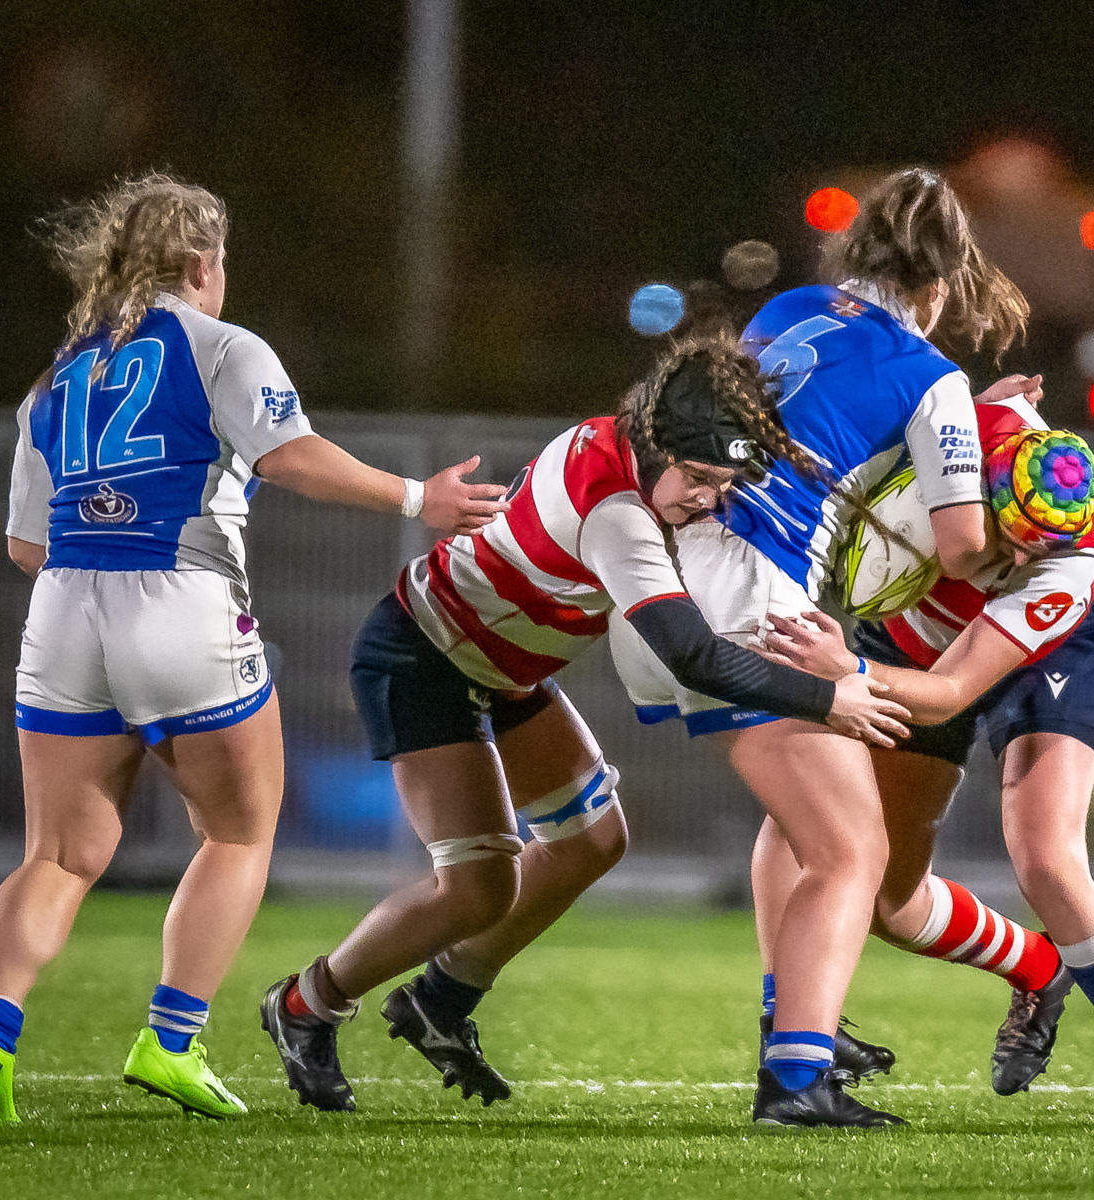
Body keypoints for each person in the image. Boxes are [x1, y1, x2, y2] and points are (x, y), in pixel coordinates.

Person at [0, 172, 510, 1123]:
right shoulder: (222, 347)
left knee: (60, 854)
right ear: (202, 260)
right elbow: (290, 456)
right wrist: (420, 499)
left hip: (62, 605)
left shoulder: (57, 374)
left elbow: (23, 543)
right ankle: (170, 1041)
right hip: (181, 601)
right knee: (240, 830)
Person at [258, 332, 912, 1113]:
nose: (708, 498)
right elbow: (692, 656)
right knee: (478, 888)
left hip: (502, 666)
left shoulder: (638, 447)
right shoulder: (618, 513)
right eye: (699, 478)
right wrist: (829, 698)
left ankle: (439, 1001)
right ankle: (306, 1005)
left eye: (723, 482)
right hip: (426, 656)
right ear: (658, 443)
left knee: (593, 843)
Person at [605, 166, 1029, 1128]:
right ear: (943, 282)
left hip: (663, 573)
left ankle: (802, 1027)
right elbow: (963, 542)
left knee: (805, 836)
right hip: (751, 596)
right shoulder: (934, 378)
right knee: (853, 851)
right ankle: (796, 1075)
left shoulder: (789, 309)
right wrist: (1034, 537)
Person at [756, 403, 1094, 1127]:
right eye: (1010, 541)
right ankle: (1038, 971)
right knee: (883, 899)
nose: (1020, 561)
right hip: (907, 645)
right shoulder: (962, 430)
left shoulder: (1059, 572)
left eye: (1039, 548)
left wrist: (845, 666)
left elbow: (948, 695)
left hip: (1037, 657)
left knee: (1048, 859)